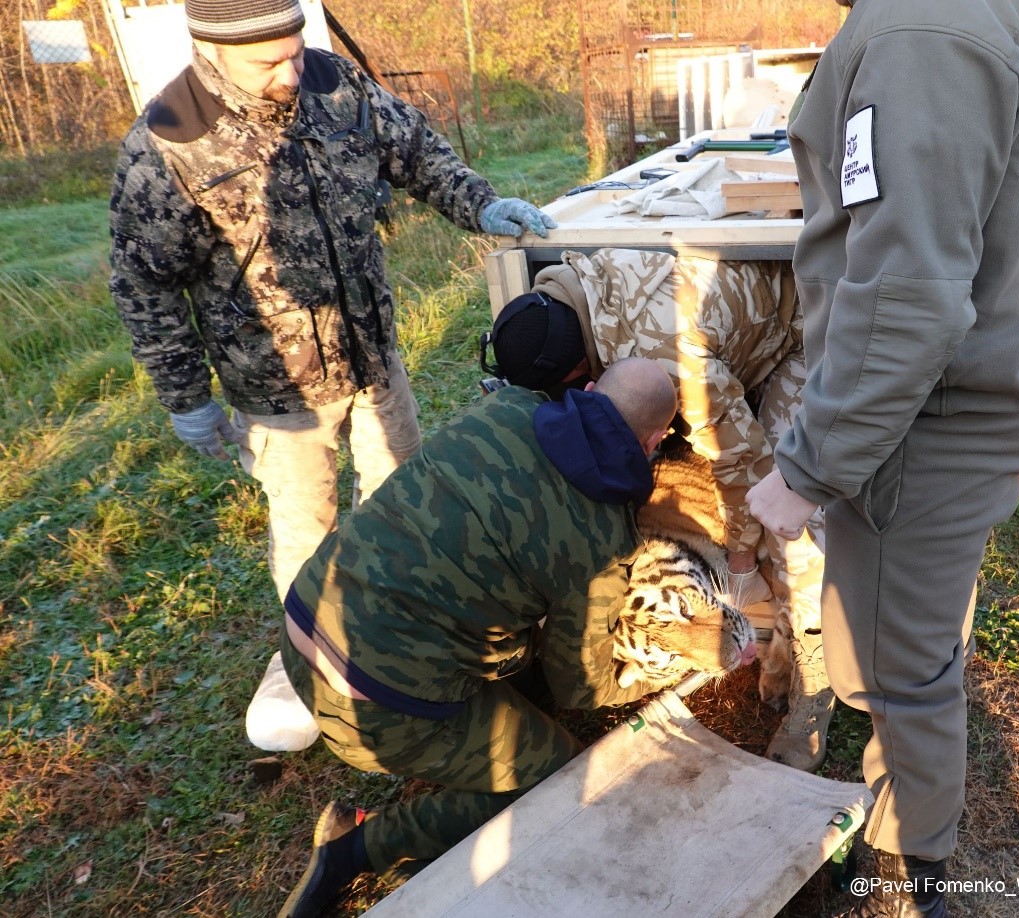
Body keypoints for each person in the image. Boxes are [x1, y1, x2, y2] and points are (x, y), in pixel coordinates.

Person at [746, 0, 1019, 914]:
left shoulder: (925, 24)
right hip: (991, 379)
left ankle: (907, 872)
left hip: (931, 419)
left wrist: (806, 470)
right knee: (922, 635)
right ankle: (905, 839)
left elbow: (907, 297)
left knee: (892, 668)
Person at [108, 0, 556, 606]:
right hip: (278, 390)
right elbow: (146, 284)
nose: (290, 74)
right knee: (307, 538)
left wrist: (477, 203)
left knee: (404, 499)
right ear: (211, 51)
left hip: (373, 356)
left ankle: (401, 616)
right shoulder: (169, 140)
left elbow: (417, 151)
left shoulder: (335, 82)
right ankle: (315, 649)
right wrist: (185, 397)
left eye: (294, 51)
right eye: (267, 62)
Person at [275, 356, 678, 917]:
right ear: (654, 440)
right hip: (374, 713)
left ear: (588, 389)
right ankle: (359, 846)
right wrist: (663, 674)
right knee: (555, 775)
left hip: (303, 621)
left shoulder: (507, 407)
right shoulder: (604, 538)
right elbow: (578, 687)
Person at [483, 248, 833, 770]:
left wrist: (741, 566)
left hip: (802, 328)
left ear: (585, 372)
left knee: (788, 509)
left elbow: (744, 465)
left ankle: (814, 681)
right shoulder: (563, 288)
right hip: (717, 340)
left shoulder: (673, 361)